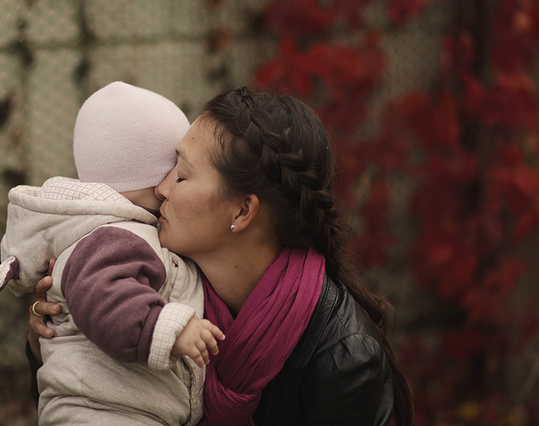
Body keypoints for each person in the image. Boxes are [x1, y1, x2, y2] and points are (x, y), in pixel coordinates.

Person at [28, 86, 414, 426]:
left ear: (242, 212)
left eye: (181, 175)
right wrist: (52, 339)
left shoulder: (344, 359)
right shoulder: (153, 281)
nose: (161, 189)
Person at [0, 81, 223, 426]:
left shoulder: (106, 231)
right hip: (101, 412)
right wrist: (168, 327)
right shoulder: (117, 237)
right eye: (176, 168)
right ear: (156, 179)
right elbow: (104, 295)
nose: (174, 183)